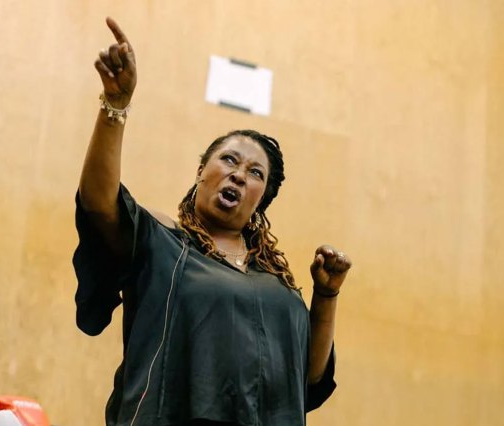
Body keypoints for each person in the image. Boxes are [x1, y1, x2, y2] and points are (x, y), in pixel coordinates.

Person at [73, 17, 352, 426]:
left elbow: (308, 380)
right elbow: (100, 203)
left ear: (261, 199)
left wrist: (326, 296)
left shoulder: (276, 280)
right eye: (229, 160)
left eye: (256, 174)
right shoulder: (162, 242)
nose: (240, 174)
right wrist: (115, 106)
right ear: (202, 171)